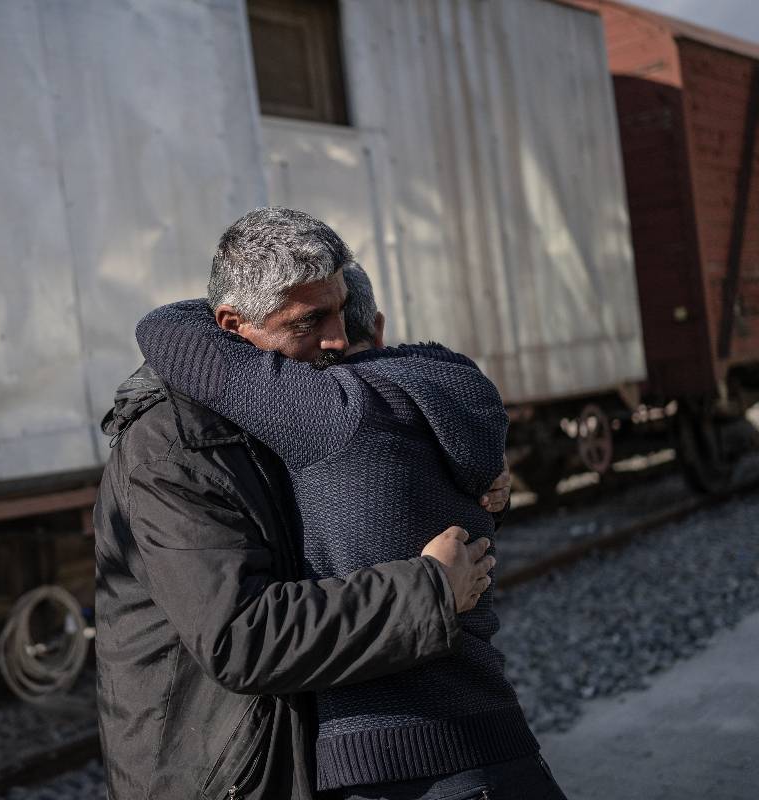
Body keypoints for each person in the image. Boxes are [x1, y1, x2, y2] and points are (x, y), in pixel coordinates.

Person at [134, 208, 565, 800]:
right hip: (497, 732)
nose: (332, 341)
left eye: (335, 317)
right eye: (312, 320)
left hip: (387, 761)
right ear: (383, 328)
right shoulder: (462, 387)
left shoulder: (329, 411)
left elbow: (167, 332)